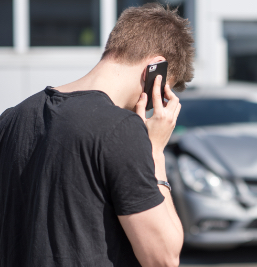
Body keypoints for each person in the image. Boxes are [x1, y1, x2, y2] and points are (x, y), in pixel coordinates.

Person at [0, 3, 194, 267]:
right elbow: (164, 258)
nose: (153, 106)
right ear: (155, 70)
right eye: (163, 94)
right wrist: (155, 152)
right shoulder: (120, 128)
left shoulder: (12, 118)